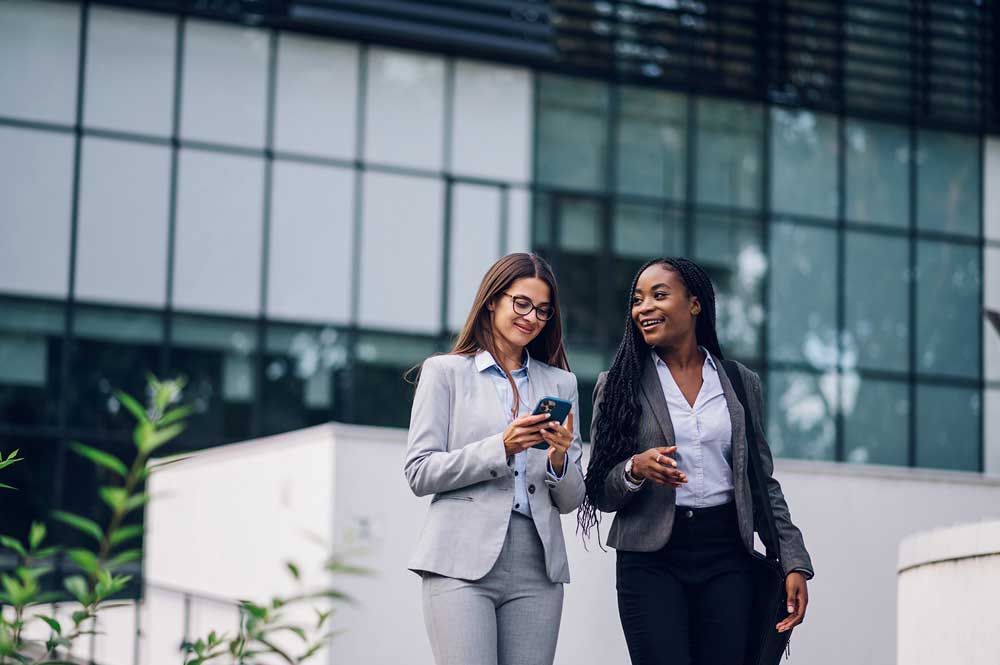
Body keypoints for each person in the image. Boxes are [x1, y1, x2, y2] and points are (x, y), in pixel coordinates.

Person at [578, 257, 814, 665]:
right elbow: (598, 489)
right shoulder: (617, 386)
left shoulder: (740, 382)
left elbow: (761, 483)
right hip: (650, 563)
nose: (643, 308)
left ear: (695, 304)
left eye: (659, 295)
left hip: (727, 556)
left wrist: (793, 561)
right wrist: (635, 469)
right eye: (637, 299)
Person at [405, 252, 585, 665]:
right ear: (492, 300)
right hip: (459, 560)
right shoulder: (445, 372)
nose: (532, 317)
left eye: (542, 310)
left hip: (538, 565)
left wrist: (559, 458)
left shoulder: (561, 382)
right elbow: (419, 472)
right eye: (521, 303)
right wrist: (499, 447)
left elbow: (572, 500)